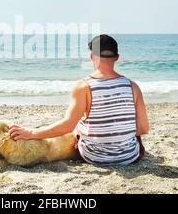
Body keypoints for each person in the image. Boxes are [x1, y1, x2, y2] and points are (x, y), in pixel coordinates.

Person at [9, 34, 149, 165]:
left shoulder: (84, 86)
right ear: (117, 57)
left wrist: (31, 133)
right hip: (129, 157)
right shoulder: (132, 86)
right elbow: (143, 128)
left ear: (92, 56)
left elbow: (67, 126)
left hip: (93, 156)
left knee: (77, 126)